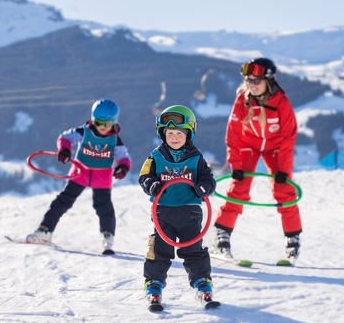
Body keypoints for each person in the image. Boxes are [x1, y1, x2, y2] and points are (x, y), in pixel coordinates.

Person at [213, 58, 302, 265]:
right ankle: (222, 237)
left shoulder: (281, 103)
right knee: (239, 187)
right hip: (248, 146)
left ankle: (292, 239)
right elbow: (233, 134)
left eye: (256, 81)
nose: (251, 84)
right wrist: (235, 164)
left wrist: (283, 169)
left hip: (276, 148)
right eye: (248, 80)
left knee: (284, 189)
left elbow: (289, 137)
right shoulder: (242, 100)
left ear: (268, 81)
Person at [25, 99, 132, 254]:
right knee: (63, 202)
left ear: (114, 123)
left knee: (104, 207)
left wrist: (123, 167)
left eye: (106, 124)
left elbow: (124, 157)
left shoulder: (115, 140)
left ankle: (107, 235)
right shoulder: (84, 132)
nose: (102, 128)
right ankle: (45, 231)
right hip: (79, 174)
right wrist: (65, 150)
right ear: (92, 119)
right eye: (98, 123)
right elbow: (65, 138)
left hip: (102, 179)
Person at [139, 105, 217, 307]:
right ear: (162, 134)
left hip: (190, 212)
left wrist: (203, 187)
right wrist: (152, 185)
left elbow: (209, 180)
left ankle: (202, 283)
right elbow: (144, 176)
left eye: (179, 133)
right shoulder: (155, 156)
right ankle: (154, 284)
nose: (174, 137)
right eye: (169, 133)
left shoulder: (196, 158)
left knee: (193, 248)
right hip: (163, 211)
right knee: (160, 248)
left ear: (189, 134)